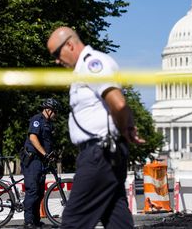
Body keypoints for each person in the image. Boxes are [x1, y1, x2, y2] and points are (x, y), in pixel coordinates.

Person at [47, 26, 145, 229]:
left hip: (98, 153)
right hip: (104, 153)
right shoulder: (83, 69)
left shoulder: (92, 64)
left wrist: (124, 128)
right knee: (117, 220)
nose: (57, 61)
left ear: (70, 45)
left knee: (74, 221)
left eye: (57, 54)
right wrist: (126, 127)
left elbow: (118, 103)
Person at [21, 98, 59, 229]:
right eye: (55, 111)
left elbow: (47, 142)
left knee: (40, 192)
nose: (56, 114)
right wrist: (44, 153)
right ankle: (28, 222)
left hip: (41, 161)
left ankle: (36, 221)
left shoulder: (49, 123)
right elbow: (33, 137)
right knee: (33, 190)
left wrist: (51, 154)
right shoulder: (37, 119)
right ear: (48, 110)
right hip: (33, 160)